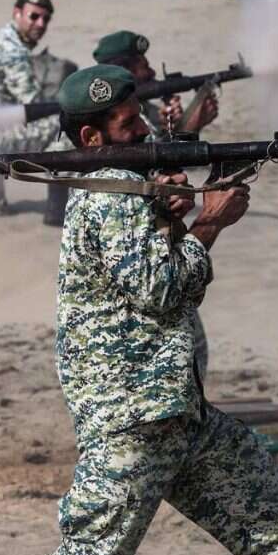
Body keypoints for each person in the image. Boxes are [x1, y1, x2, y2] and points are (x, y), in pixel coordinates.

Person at [49, 65, 278, 555]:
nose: (145, 131)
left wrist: (169, 219)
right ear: (91, 137)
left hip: (178, 414)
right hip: (132, 423)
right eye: (129, 124)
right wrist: (210, 221)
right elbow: (160, 287)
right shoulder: (109, 191)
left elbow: (147, 279)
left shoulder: (129, 191)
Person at [91, 29, 220, 378]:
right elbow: (125, 178)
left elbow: (157, 168)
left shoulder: (142, 117)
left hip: (163, 255)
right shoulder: (104, 129)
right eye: (141, 64)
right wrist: (210, 221)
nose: (149, 71)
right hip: (146, 278)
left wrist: (185, 128)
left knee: (192, 361)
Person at [0, 0, 70, 217]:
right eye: (34, 16)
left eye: (46, 19)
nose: (41, 24)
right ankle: (59, 212)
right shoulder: (11, 50)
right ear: (17, 13)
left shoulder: (1, 40)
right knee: (66, 128)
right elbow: (32, 104)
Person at [91, 29, 219, 139]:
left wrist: (181, 126)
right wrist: (189, 128)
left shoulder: (149, 110)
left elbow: (165, 149)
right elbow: (148, 162)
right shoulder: (107, 116)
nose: (152, 72)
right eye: (145, 67)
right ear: (126, 73)